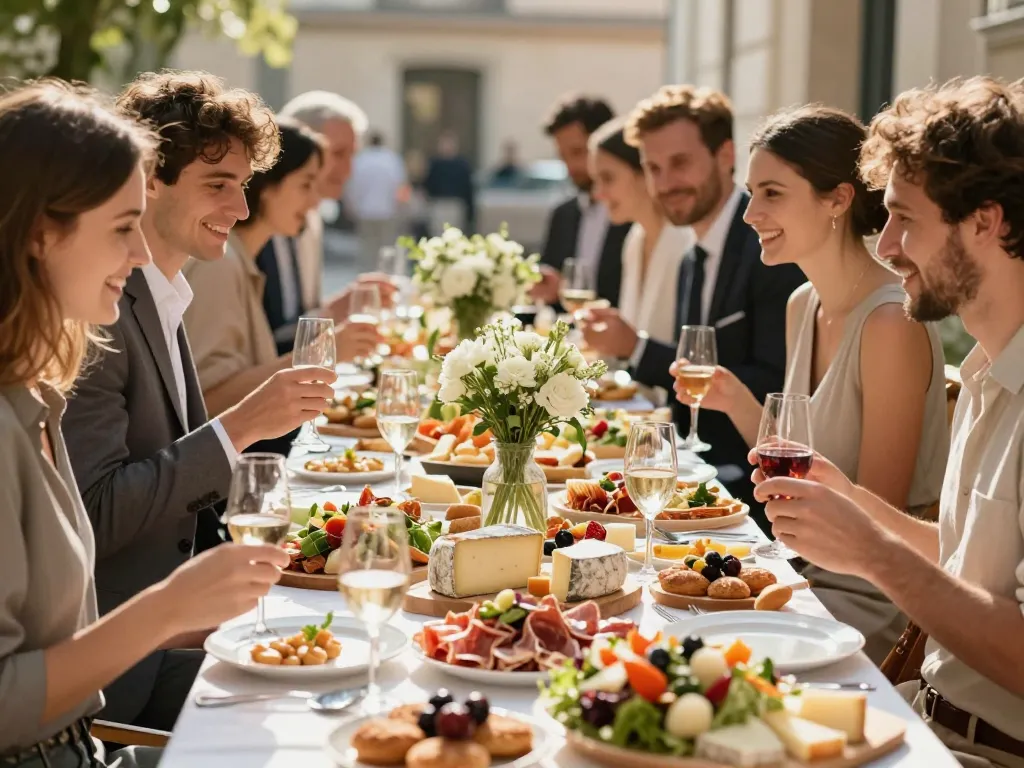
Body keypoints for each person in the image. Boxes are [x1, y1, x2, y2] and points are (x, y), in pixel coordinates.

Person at [0, 79, 288, 768]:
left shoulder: (38, 391)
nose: (137, 257)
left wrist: (192, 611)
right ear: (41, 233)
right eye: (121, 228)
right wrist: (168, 610)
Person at [753, 76, 1024, 767]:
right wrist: (848, 501)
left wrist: (873, 551)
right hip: (921, 711)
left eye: (905, 218)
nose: (889, 243)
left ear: (986, 222)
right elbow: (964, 558)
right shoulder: (990, 372)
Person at [61, 71, 339, 732]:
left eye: (243, 186)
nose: (240, 209)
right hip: (114, 676)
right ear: (149, 177)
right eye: (218, 185)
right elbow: (96, 512)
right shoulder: (100, 314)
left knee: (335, 683)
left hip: (168, 637)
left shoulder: (164, 293)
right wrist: (240, 427)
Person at [672, 105, 949, 662]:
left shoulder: (890, 323)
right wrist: (736, 401)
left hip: (869, 597)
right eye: (751, 193)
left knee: (697, 650)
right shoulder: (803, 304)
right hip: (800, 570)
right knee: (666, 617)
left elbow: (875, 520)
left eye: (772, 193)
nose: (750, 214)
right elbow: (797, 458)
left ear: (838, 199)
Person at [578, 85, 806, 513]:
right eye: (653, 168)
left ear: (725, 156)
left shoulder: (769, 250)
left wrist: (639, 349)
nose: (666, 183)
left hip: (751, 492)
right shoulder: (691, 256)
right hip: (691, 480)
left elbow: (778, 386)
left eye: (680, 163)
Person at [183, 118, 379, 437]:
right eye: (305, 185)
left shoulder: (241, 261)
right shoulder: (219, 265)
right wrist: (321, 354)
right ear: (267, 187)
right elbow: (208, 402)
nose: (315, 201)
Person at [587, 116, 693, 403]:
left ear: (643, 172)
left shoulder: (685, 244)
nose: (599, 194)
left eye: (608, 178)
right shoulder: (634, 239)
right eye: (596, 181)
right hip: (636, 409)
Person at [532, 94, 632, 307]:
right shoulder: (562, 215)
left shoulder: (635, 214)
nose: (570, 166)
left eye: (578, 152)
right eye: (563, 156)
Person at [279, 90, 369, 310]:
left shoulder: (312, 218)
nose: (348, 170)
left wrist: (340, 309)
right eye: (338, 154)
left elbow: (301, 316)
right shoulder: (250, 223)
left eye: (352, 155)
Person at [345, 130, 408, 269]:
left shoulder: (360, 160)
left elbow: (352, 186)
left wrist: (352, 205)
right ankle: (386, 274)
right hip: (388, 210)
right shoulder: (392, 160)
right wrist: (400, 206)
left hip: (365, 210)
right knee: (387, 247)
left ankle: (367, 274)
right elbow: (400, 186)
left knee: (368, 248)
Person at [424, 130, 476, 234]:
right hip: (438, 203)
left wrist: (470, 212)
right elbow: (429, 184)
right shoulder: (435, 164)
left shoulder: (462, 165)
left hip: (456, 204)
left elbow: (467, 188)